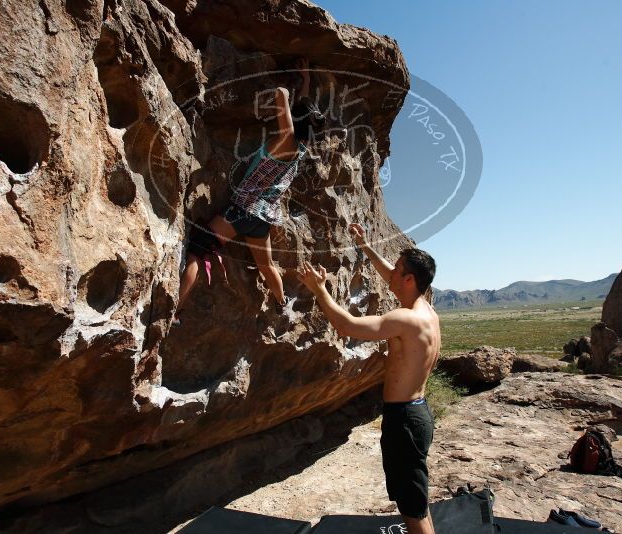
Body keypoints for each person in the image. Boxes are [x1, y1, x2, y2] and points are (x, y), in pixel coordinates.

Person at [297, 223, 441, 534]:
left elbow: (348, 326)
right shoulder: (427, 312)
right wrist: (364, 245)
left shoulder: (405, 319)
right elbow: (389, 271)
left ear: (410, 279)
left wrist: (319, 289)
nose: (391, 273)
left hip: (404, 420)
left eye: (398, 269)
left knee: (412, 510)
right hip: (416, 414)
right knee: (414, 501)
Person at [174, 59, 325, 325]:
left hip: (243, 208)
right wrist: (306, 80)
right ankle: (280, 303)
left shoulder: (286, 140)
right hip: (262, 217)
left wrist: (285, 93)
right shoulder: (300, 148)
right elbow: (303, 117)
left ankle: (176, 310)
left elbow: (282, 101)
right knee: (266, 265)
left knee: (198, 250)